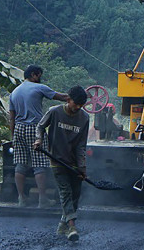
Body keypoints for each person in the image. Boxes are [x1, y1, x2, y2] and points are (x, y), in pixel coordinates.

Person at [34, 86, 91, 241]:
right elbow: (40, 126)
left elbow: (81, 145)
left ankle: (62, 224)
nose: (78, 107)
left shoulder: (84, 118)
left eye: (81, 105)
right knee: (65, 193)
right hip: (57, 160)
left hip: (74, 162)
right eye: (76, 103)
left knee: (75, 194)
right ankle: (72, 227)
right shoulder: (54, 112)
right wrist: (39, 139)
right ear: (68, 99)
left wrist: (82, 167)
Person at [9, 65, 69, 207]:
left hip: (18, 129)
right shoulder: (39, 87)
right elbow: (63, 97)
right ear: (34, 75)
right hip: (34, 128)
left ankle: (21, 199)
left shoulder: (14, 92)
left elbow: (11, 118)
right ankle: (43, 199)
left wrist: (13, 136)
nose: (40, 78)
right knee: (39, 164)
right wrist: (81, 96)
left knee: (20, 164)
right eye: (39, 75)